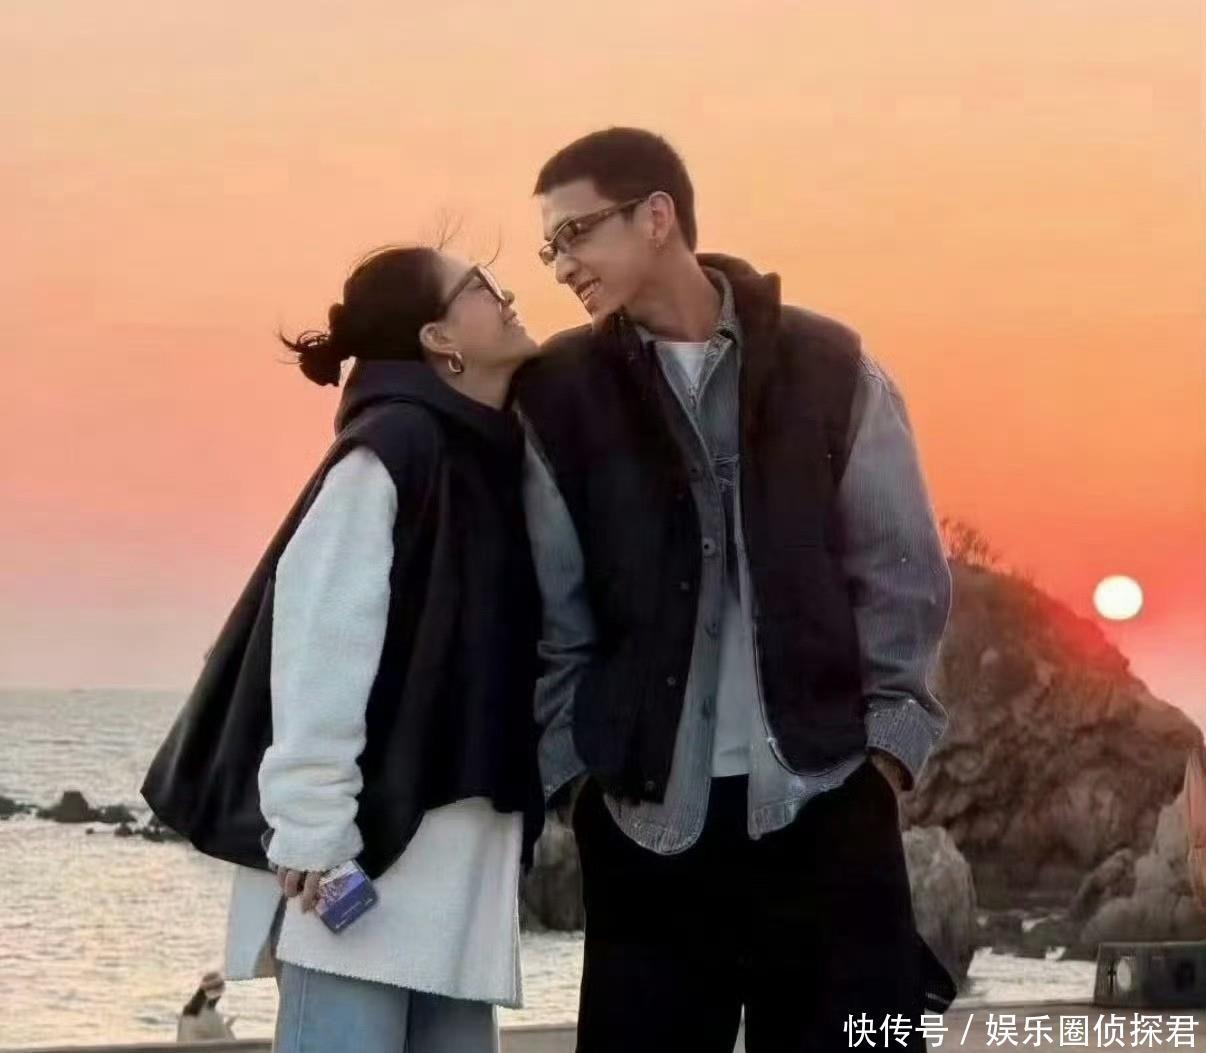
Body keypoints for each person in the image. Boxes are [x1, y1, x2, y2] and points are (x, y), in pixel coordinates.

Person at [515, 128, 954, 1052]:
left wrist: (882, 762)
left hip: (826, 801)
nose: (560, 265)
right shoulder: (558, 392)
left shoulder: (830, 365)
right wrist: (578, 786)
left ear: (657, 217)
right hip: (644, 824)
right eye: (550, 246)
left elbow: (901, 573)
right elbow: (556, 617)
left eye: (576, 233)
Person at [144, 245, 545, 1053]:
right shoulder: (392, 446)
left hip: (452, 876)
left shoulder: (487, 454)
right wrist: (313, 832)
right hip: (362, 870)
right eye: (480, 285)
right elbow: (320, 634)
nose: (505, 296)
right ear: (438, 338)